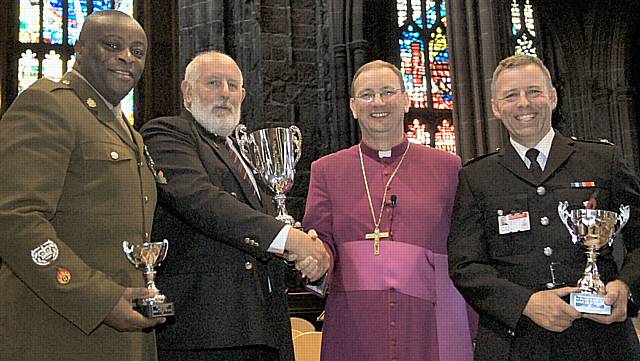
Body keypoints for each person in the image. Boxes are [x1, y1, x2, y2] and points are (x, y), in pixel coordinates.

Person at [448, 54, 640, 361]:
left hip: (601, 340)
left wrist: (626, 286)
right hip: (516, 343)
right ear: (496, 108)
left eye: (534, 91)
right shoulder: (477, 177)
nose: (524, 103)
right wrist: (524, 303)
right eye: (511, 95)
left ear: (552, 97)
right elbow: (464, 265)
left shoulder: (603, 160)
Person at [140, 50, 329, 361]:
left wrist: (310, 256)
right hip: (205, 330)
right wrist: (287, 239)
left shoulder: (245, 152)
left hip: (264, 327)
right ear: (188, 91)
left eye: (233, 86)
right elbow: (201, 200)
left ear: (243, 95)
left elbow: (266, 223)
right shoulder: (167, 133)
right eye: (213, 83)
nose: (224, 93)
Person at [0, 10, 165, 361]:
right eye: (112, 45)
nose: (127, 57)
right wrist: (98, 298)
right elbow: (15, 219)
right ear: (80, 48)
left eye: (138, 51)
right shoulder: (48, 105)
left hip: (121, 338)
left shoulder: (129, 132)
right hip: (57, 332)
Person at [302, 60, 476, 361]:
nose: (378, 102)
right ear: (354, 107)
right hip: (354, 322)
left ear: (406, 100)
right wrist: (315, 261)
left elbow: (465, 247)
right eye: (367, 95)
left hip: (429, 322)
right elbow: (321, 241)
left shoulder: (448, 167)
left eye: (387, 92)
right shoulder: (326, 170)